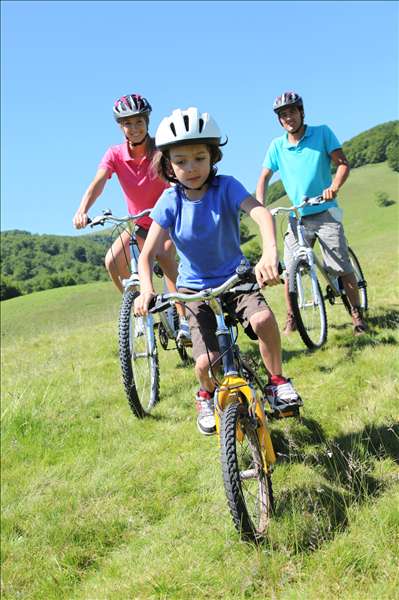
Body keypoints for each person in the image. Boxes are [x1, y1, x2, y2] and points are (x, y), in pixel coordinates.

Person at [134, 107, 302, 436]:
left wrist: (270, 251)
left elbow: (261, 214)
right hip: (194, 290)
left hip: (236, 279)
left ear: (213, 155)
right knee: (204, 362)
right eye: (181, 161)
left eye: (199, 157)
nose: (191, 167)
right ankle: (205, 394)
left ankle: (277, 381)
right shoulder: (170, 201)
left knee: (263, 320)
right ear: (169, 165)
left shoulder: (226, 187)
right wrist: (145, 288)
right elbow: (146, 255)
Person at [72, 93, 189, 338]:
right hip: (138, 225)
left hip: (165, 222)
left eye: (138, 122)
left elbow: (175, 180)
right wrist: (83, 209)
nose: (134, 128)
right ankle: (138, 305)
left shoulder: (160, 150)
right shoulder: (114, 154)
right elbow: (99, 181)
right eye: (127, 123)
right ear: (120, 126)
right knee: (112, 262)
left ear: (147, 122)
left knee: (166, 256)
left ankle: (184, 318)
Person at [256, 91, 367, 336]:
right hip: (297, 216)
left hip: (325, 211)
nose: (288, 118)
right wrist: (260, 205)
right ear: (279, 120)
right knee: (290, 268)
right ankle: (292, 316)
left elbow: (343, 164)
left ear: (301, 112)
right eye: (283, 115)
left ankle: (357, 314)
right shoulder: (277, 146)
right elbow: (264, 177)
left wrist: (333, 188)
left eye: (292, 112)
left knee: (339, 264)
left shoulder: (322, 132)